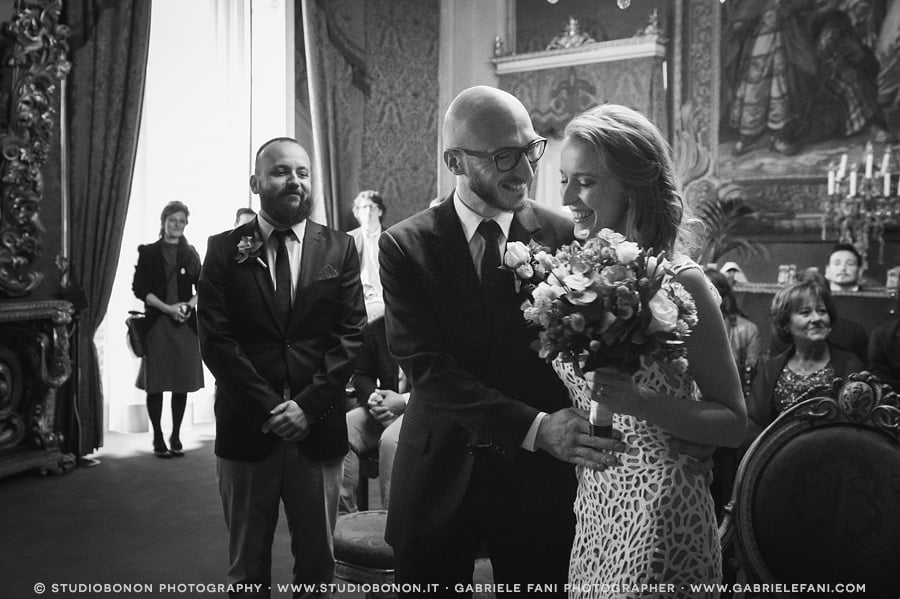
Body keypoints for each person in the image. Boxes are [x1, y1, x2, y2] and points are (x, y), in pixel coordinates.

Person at [380, 87, 714, 597]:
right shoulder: (405, 245)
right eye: (503, 156)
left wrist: (678, 434)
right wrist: (537, 427)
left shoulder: (570, 233)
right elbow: (426, 367)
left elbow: (615, 357)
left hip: (541, 483)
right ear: (454, 161)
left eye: (530, 149)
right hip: (440, 472)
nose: (524, 171)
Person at [557, 104, 746, 595]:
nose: (567, 197)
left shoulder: (684, 281)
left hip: (662, 504)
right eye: (564, 179)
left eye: (584, 181)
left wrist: (640, 403)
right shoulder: (576, 274)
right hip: (596, 504)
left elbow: (733, 419)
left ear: (633, 184)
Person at [198, 137, 366, 597]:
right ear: (255, 183)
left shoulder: (339, 248)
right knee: (247, 568)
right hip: (248, 428)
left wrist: (306, 408)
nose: (294, 180)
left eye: (303, 172)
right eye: (280, 171)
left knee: (317, 566)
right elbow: (216, 342)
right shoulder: (222, 250)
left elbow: (349, 337)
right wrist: (273, 409)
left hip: (320, 429)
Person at [746, 279, 865, 444]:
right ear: (785, 323)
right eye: (805, 312)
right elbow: (752, 423)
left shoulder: (850, 366)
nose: (816, 318)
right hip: (778, 460)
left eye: (822, 311)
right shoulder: (771, 369)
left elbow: (862, 430)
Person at [132, 201, 204, 458]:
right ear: (163, 221)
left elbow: (204, 286)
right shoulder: (149, 252)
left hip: (185, 326)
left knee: (180, 382)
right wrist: (168, 308)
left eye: (182, 221)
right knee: (157, 383)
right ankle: (158, 438)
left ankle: (175, 435)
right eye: (173, 220)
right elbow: (140, 289)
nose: (177, 225)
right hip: (158, 325)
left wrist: (187, 305)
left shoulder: (191, 253)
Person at [339, 314, 407, 513]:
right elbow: (361, 375)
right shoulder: (376, 328)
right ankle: (345, 517)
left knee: (390, 440)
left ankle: (389, 521)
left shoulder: (431, 326)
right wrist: (372, 397)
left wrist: (403, 401)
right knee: (345, 426)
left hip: (418, 410)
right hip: (382, 407)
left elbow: (436, 385)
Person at [347, 190, 386, 318]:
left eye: (372, 207)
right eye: (364, 207)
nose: (368, 211)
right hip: (359, 298)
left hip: (386, 296)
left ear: (380, 211)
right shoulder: (348, 240)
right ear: (357, 213)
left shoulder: (391, 237)